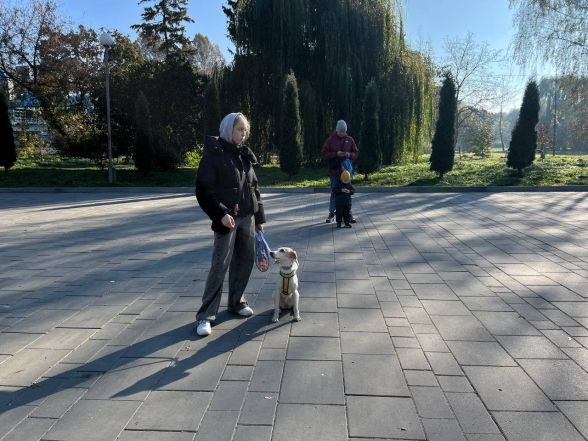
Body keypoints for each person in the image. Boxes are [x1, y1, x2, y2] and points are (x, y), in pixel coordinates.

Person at [195, 112, 265, 337]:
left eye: (245, 130)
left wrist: (259, 219)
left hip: (247, 217)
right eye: (239, 129)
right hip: (228, 218)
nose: (243, 134)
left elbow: (254, 188)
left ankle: (236, 302)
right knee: (220, 264)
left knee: (245, 260)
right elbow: (204, 190)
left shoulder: (244, 154)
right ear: (228, 129)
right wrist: (220, 214)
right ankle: (206, 315)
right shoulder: (214, 154)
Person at [320, 120, 359, 223]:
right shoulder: (330, 140)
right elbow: (324, 154)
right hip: (334, 172)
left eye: (344, 131)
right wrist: (336, 154)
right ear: (337, 130)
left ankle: (348, 213)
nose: (343, 133)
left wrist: (349, 155)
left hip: (346, 173)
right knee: (334, 191)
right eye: (341, 131)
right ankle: (331, 213)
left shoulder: (350, 140)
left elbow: (355, 153)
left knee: (347, 192)